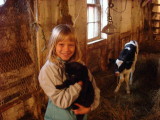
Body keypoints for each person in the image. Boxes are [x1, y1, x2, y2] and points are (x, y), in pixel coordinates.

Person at [38, 24, 100, 120]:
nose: (66, 49)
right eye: (61, 44)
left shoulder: (80, 65)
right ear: (53, 45)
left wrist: (90, 108)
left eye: (71, 45)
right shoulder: (48, 70)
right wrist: (79, 84)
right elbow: (62, 102)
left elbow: (95, 88)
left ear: (76, 46)